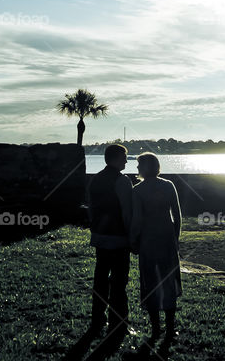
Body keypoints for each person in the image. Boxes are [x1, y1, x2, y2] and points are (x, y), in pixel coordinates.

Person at [129, 152, 182, 340]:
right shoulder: (169, 186)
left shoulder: (137, 190)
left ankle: (155, 329)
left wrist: (133, 240)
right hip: (167, 239)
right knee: (169, 281)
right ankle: (169, 329)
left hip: (148, 240)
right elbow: (177, 215)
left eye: (138, 165)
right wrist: (175, 238)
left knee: (150, 282)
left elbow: (137, 220)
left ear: (144, 168)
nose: (136, 169)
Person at [86, 143, 133, 338]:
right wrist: (132, 235)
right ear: (116, 158)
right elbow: (127, 211)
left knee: (100, 279)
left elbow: (90, 208)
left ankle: (97, 318)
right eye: (124, 157)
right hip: (118, 238)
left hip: (100, 236)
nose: (126, 160)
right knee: (119, 282)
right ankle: (118, 322)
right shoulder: (122, 181)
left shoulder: (96, 179)